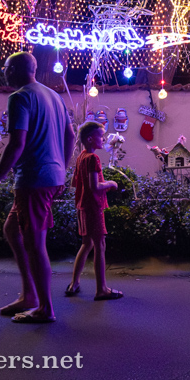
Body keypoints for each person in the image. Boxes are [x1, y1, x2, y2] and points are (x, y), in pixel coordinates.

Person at [0, 52, 74, 324]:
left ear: (17, 69)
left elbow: (16, 144)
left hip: (33, 179)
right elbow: (70, 135)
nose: (4, 71)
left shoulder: (19, 97)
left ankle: (45, 307)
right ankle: (30, 294)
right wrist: (62, 167)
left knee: (35, 244)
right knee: (12, 229)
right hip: (50, 177)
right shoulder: (54, 96)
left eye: (7, 67)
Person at [65, 122, 122, 301]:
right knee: (100, 245)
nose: (103, 139)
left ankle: (74, 283)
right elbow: (95, 186)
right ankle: (101, 289)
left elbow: (75, 183)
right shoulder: (92, 158)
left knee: (86, 243)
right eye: (100, 135)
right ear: (90, 138)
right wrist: (111, 184)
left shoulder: (81, 157)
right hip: (93, 206)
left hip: (82, 205)